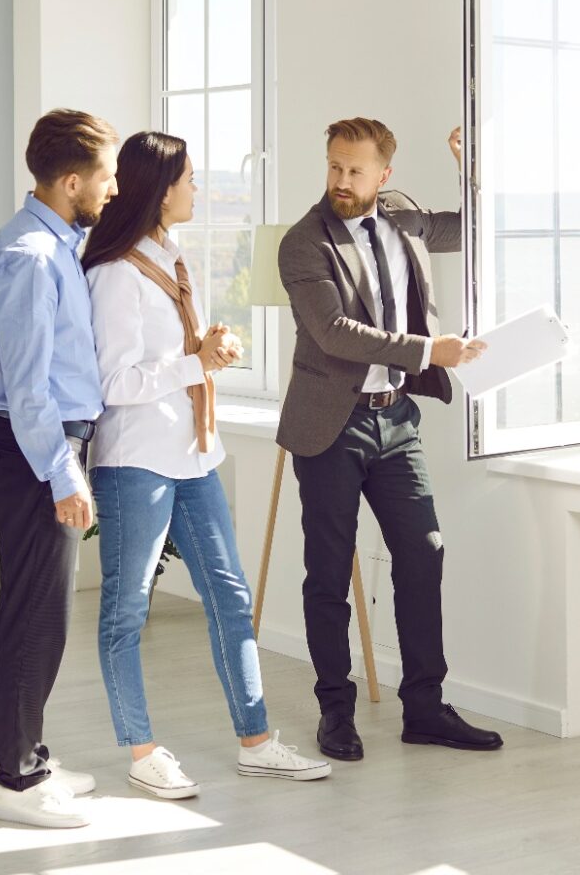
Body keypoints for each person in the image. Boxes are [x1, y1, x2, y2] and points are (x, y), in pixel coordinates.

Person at [81, 130, 330, 798]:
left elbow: (173, 355)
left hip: (192, 454)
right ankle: (142, 751)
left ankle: (256, 742)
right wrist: (198, 361)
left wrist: (208, 343)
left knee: (230, 596)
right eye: (191, 179)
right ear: (162, 191)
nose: (198, 188)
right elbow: (113, 383)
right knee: (126, 609)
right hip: (136, 462)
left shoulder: (173, 257)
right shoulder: (114, 276)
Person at [277, 117, 504, 761]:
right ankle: (335, 711)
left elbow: (476, 229)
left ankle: (425, 708)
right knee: (328, 571)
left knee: (423, 553)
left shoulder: (402, 218)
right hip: (330, 426)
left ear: (385, 174)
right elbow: (335, 333)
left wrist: (472, 166)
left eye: (355, 170)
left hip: (396, 419)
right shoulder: (303, 243)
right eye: (333, 167)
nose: (342, 182)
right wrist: (433, 349)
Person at [0, 108, 120, 828]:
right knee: (41, 613)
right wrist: (65, 474)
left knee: (30, 606)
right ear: (71, 181)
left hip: (47, 442)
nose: (114, 189)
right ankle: (17, 780)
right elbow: (29, 388)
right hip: (40, 446)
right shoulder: (33, 257)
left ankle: (19, 746)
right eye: (106, 176)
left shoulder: (54, 242)